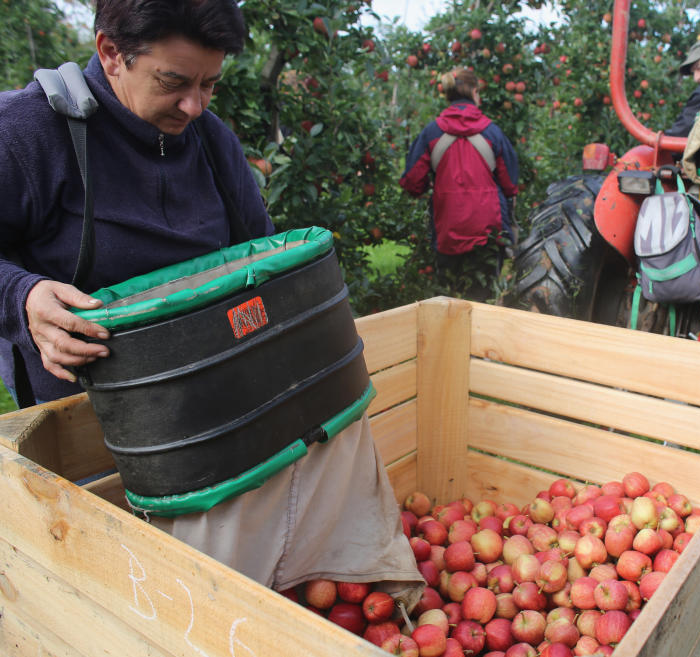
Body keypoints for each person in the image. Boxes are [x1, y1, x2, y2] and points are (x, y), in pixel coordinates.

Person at [0, 0, 422, 606]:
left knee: (213, 599)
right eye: (174, 83)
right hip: (93, 428)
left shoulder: (208, 140)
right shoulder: (31, 134)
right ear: (111, 53)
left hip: (216, 422)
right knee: (111, 594)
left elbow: (259, 261)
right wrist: (25, 297)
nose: (195, 105)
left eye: (209, 84)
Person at [400, 67, 519, 301]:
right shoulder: (492, 133)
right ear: (475, 92)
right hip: (488, 230)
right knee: (482, 299)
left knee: (450, 298)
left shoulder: (431, 133)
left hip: (448, 230)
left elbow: (412, 182)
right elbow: (510, 184)